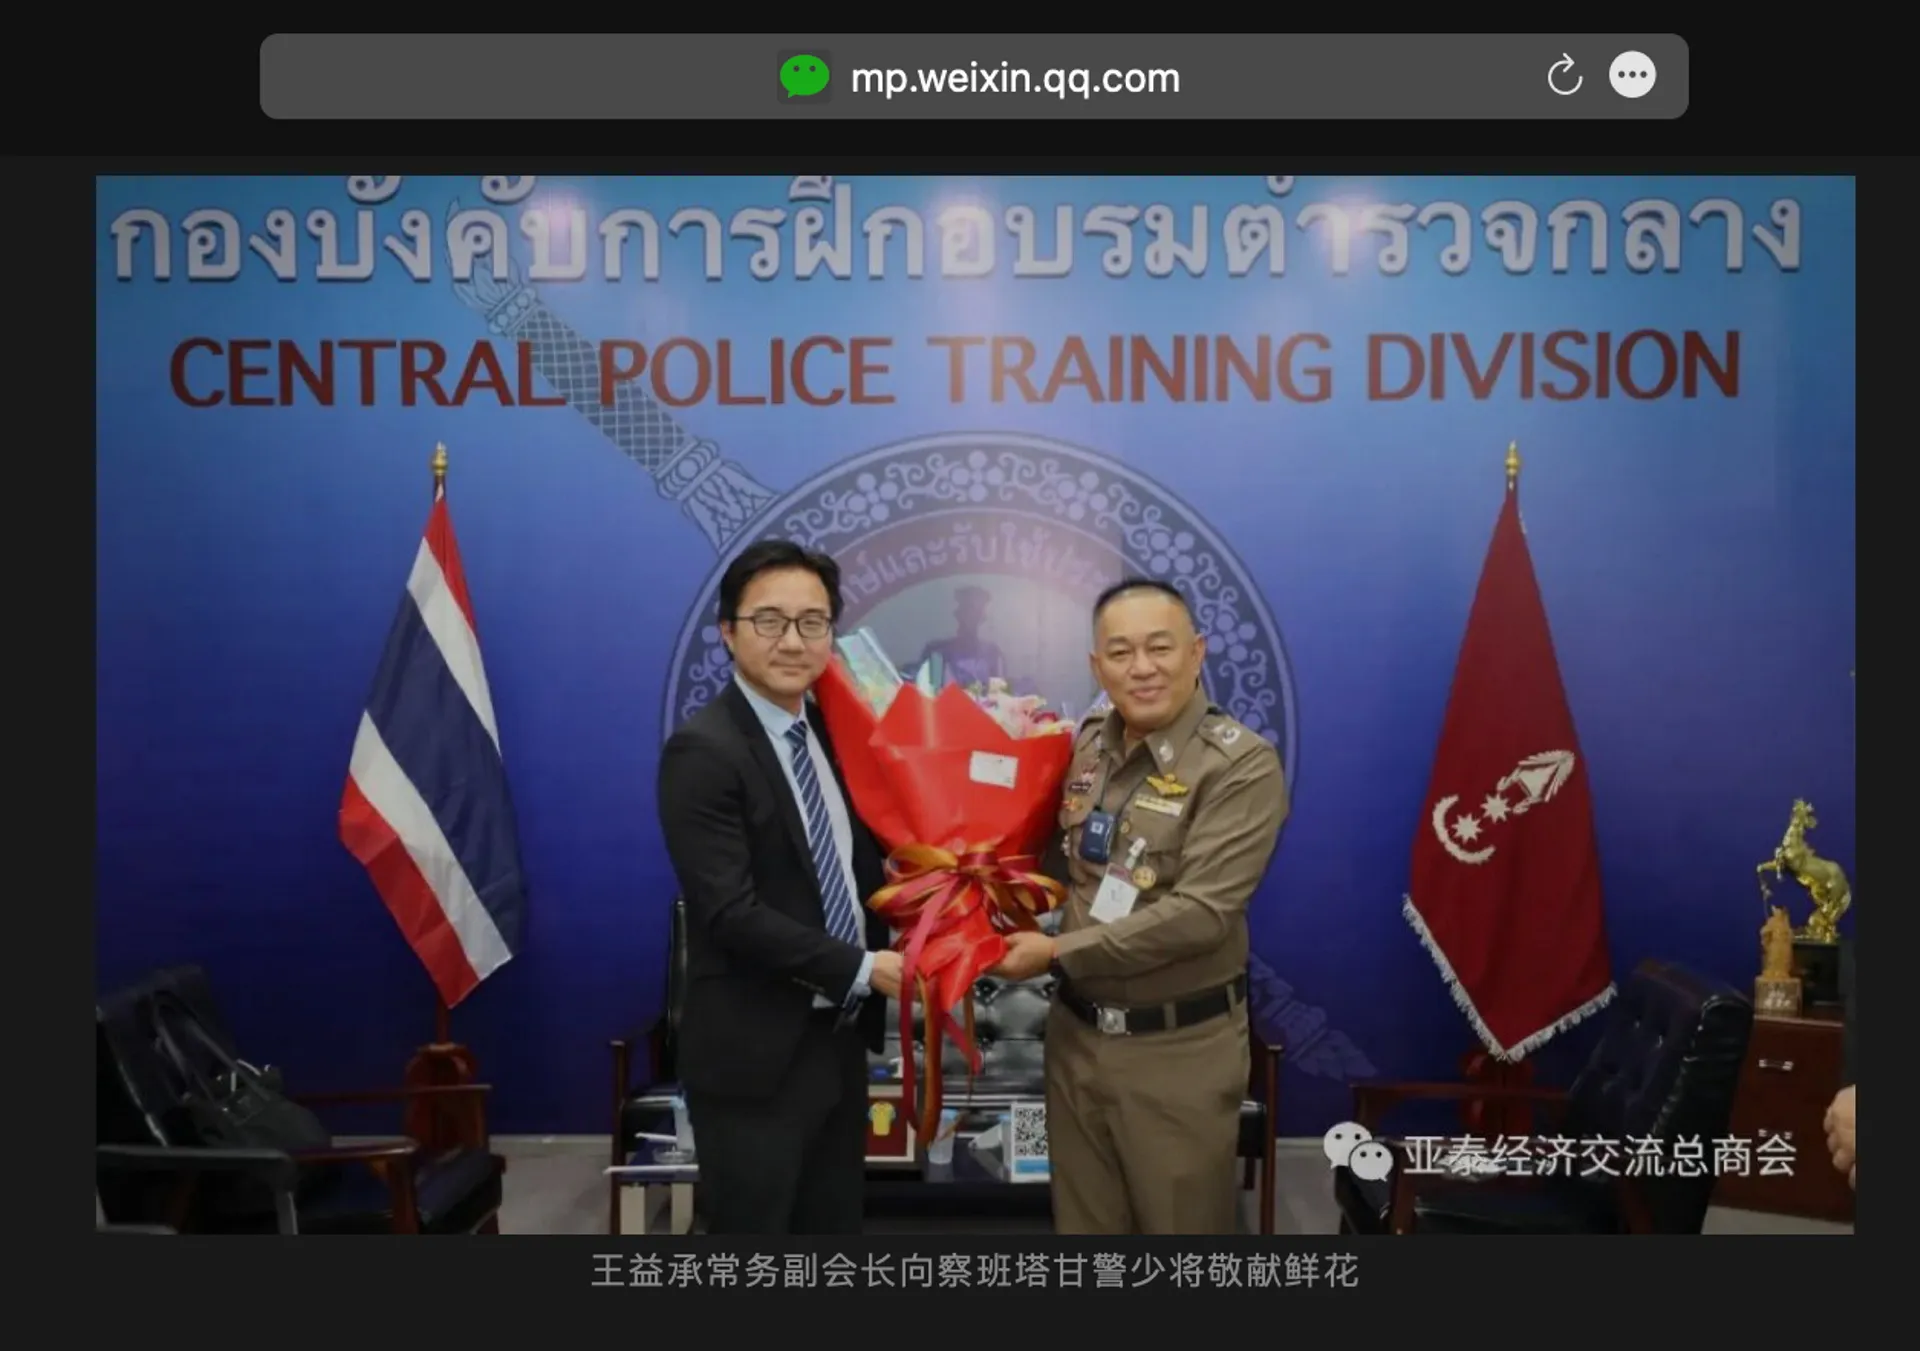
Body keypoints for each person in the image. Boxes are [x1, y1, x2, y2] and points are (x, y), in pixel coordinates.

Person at [992, 577, 1290, 1234]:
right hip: (1075, 1040)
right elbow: (1056, 865)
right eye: (1121, 652)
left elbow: (1201, 914)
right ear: (1097, 666)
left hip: (1175, 1052)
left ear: (1196, 652)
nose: (1142, 667)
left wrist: (1055, 951)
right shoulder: (1088, 742)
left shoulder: (1238, 766)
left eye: (1160, 647)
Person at [656, 538, 904, 1233]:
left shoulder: (835, 735)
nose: (793, 641)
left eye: (812, 621)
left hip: (838, 1041)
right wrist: (863, 967)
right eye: (769, 620)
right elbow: (730, 912)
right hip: (753, 1056)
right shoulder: (703, 750)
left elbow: (856, 866)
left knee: (833, 1230)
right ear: (727, 631)